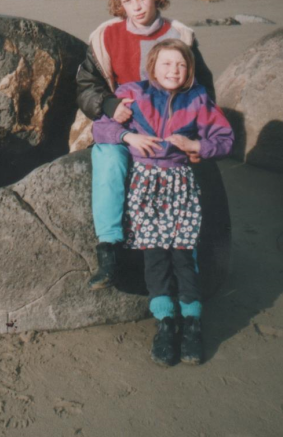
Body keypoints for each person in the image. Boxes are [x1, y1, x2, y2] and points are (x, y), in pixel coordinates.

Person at [75, 0, 215, 293]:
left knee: (174, 180)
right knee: (109, 160)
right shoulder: (105, 36)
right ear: (118, 3)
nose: (136, 7)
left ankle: (184, 283)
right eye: (127, 1)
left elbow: (203, 91)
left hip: (168, 126)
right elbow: (86, 86)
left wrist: (197, 137)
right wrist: (109, 105)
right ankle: (108, 249)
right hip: (121, 122)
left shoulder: (179, 35)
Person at [92, 39, 234, 365]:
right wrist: (129, 136)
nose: (174, 70)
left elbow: (225, 140)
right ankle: (165, 324)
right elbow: (101, 126)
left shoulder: (198, 99)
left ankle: (193, 324)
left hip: (180, 184)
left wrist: (194, 144)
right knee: (155, 257)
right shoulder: (135, 94)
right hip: (144, 186)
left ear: (189, 70)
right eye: (167, 64)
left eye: (181, 65)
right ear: (152, 66)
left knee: (184, 256)